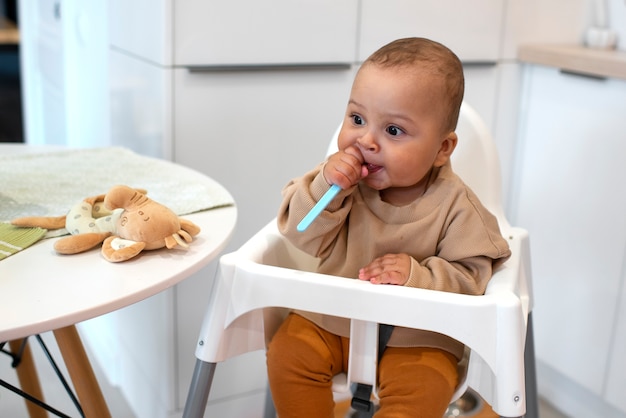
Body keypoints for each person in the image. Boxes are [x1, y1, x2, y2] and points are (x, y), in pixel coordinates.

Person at [266, 37, 511, 418]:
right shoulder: (337, 185)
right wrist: (323, 188)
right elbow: (298, 231)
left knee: (426, 385)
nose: (366, 140)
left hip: (416, 338)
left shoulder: (458, 207)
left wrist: (418, 274)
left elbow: (474, 278)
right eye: (357, 119)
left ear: (443, 148)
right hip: (331, 318)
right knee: (288, 352)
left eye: (393, 131)